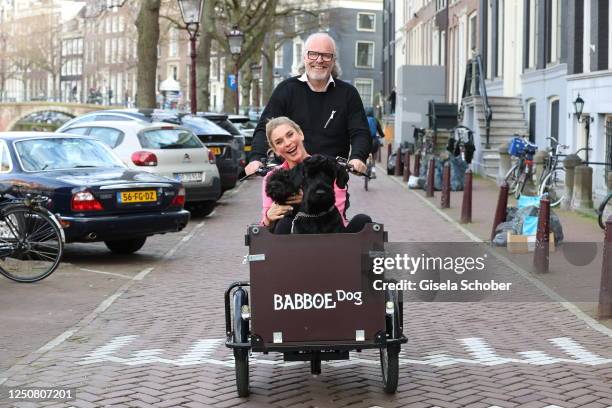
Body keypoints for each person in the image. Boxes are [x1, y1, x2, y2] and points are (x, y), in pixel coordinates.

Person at [246, 32, 371, 177]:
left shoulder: (348, 94)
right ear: (304, 57)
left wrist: (357, 157)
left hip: (331, 178)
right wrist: (256, 158)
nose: (319, 60)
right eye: (313, 54)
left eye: (326, 55)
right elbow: (265, 127)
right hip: (290, 177)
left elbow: (360, 132)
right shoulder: (286, 90)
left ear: (333, 60)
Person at [261, 117, 371, 234]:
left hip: (332, 232)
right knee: (284, 224)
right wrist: (268, 217)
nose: (288, 143)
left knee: (363, 221)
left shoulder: (327, 165)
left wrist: (305, 199)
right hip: (294, 237)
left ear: (301, 134)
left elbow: (336, 208)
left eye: (290, 135)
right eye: (279, 142)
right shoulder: (274, 177)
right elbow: (265, 227)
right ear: (275, 150)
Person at [365, 107, 384, 178]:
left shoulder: (363, 119)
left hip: (365, 141)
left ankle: (366, 167)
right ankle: (373, 171)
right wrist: (382, 135)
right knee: (373, 156)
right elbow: (380, 132)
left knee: (365, 154)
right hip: (374, 141)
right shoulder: (375, 120)